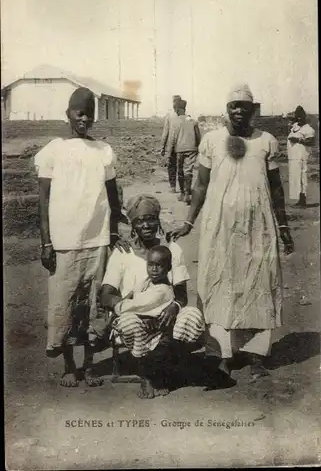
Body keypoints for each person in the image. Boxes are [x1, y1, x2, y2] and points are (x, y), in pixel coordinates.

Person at [171, 83, 294, 387]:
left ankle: (255, 357)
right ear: (226, 110)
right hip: (219, 228)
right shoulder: (212, 141)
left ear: (253, 110)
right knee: (221, 283)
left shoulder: (266, 141)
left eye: (244, 106)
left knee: (259, 285)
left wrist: (282, 226)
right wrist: (189, 222)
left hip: (258, 227)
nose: (238, 110)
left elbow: (276, 187)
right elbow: (200, 185)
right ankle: (223, 355)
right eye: (233, 106)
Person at [34, 87, 129, 388]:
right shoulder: (53, 150)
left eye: (89, 113)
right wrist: (46, 242)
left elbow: (113, 197)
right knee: (64, 306)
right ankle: (68, 367)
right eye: (79, 112)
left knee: (93, 305)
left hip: (97, 239)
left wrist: (113, 232)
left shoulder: (103, 151)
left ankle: (89, 366)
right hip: (63, 243)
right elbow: (43, 200)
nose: (84, 118)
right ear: (68, 115)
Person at [100, 194, 205, 399]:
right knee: (129, 322)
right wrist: (128, 306)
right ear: (132, 224)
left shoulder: (171, 249)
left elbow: (181, 295)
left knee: (192, 315)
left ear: (158, 220)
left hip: (165, 317)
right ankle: (148, 374)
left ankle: (165, 364)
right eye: (140, 221)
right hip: (135, 316)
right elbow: (106, 295)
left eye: (151, 219)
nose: (146, 225)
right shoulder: (123, 252)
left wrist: (173, 306)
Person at [171, 99, 201, 204]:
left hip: (179, 149)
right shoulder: (192, 120)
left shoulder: (175, 122)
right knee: (188, 171)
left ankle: (183, 193)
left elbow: (172, 138)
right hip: (192, 148)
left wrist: (170, 151)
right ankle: (188, 193)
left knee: (180, 171)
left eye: (175, 109)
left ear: (178, 109)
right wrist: (198, 147)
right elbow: (198, 136)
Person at [287, 105, 315, 208]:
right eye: (297, 116)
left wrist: (298, 140)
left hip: (302, 157)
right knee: (295, 178)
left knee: (302, 178)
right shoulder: (295, 126)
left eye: (301, 116)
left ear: (305, 117)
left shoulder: (308, 129)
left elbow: (311, 141)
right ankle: (299, 200)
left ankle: (303, 201)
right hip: (293, 157)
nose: (299, 118)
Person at [161, 95, 182, 193]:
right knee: (177, 166)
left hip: (173, 145)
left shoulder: (169, 115)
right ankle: (179, 187)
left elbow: (165, 132)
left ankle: (174, 187)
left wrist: (162, 147)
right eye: (174, 101)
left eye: (176, 101)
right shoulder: (184, 115)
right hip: (178, 145)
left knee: (173, 166)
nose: (175, 103)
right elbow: (165, 132)